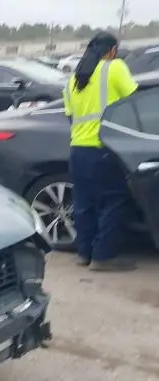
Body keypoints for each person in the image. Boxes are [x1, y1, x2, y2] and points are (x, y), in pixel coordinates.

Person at [63, 31, 139, 271]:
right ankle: (103, 257)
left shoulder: (74, 79)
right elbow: (134, 100)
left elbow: (70, 115)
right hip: (104, 148)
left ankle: (84, 253)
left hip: (78, 150)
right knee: (115, 200)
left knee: (84, 203)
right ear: (112, 50)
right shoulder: (115, 68)